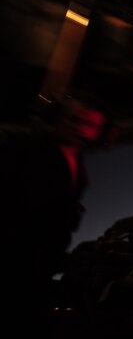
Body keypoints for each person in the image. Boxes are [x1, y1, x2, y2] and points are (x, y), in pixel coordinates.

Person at [0, 89, 114, 318]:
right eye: (73, 119)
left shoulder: (77, 165)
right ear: (57, 117)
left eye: (90, 125)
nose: (79, 128)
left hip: (39, 263)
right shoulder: (25, 147)